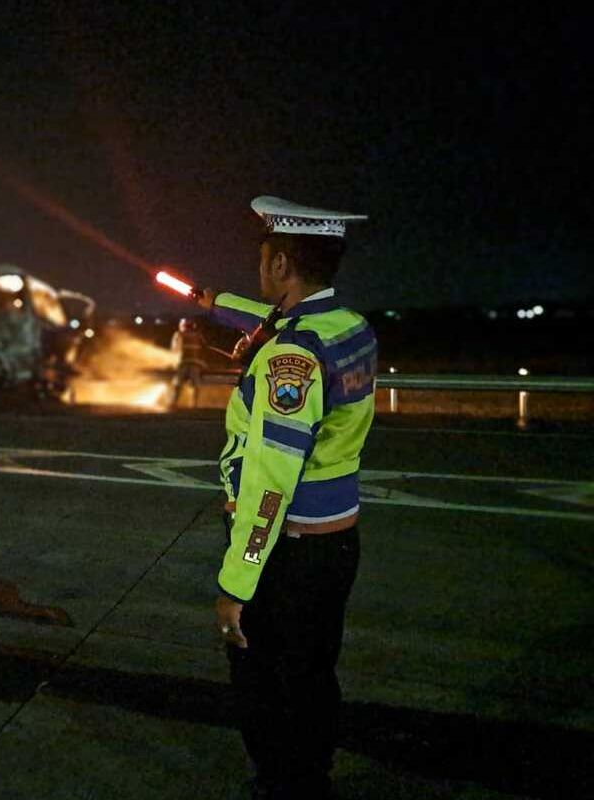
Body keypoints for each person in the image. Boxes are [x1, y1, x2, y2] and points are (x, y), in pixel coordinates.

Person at [198, 196, 376, 799]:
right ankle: (311, 779)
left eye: (264, 260)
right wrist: (214, 303)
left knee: (264, 684)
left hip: (287, 553)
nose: (260, 273)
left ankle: (280, 785)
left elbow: (270, 485)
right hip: (336, 542)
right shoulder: (348, 327)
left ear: (279, 266)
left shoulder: (290, 358)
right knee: (312, 676)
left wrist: (237, 584)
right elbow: (273, 317)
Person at [170, 318, 208, 408]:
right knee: (195, 385)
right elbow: (205, 347)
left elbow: (174, 349)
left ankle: (174, 403)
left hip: (183, 363)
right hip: (194, 364)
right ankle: (194, 404)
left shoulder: (179, 334)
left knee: (178, 384)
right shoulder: (198, 335)